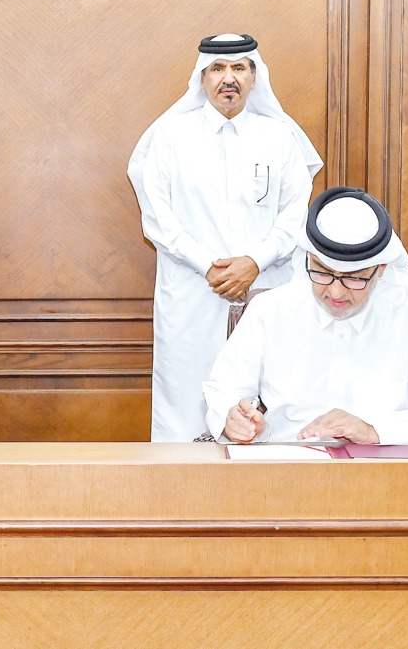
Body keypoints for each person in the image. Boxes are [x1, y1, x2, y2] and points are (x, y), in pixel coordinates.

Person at [128, 33, 323, 442]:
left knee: (263, 398)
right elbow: (159, 218)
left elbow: (294, 214)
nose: (228, 78)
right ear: (201, 78)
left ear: (255, 78)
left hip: (266, 289)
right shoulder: (170, 136)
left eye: (238, 68)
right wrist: (210, 265)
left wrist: (254, 261)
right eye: (217, 69)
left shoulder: (279, 137)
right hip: (194, 292)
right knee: (186, 402)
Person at [202, 187, 408, 446]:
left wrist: (375, 430)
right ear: (307, 260)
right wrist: (232, 419)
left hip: (386, 485)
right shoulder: (270, 311)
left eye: (354, 279)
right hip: (286, 478)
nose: (336, 292)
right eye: (323, 272)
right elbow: (223, 391)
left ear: (381, 270)